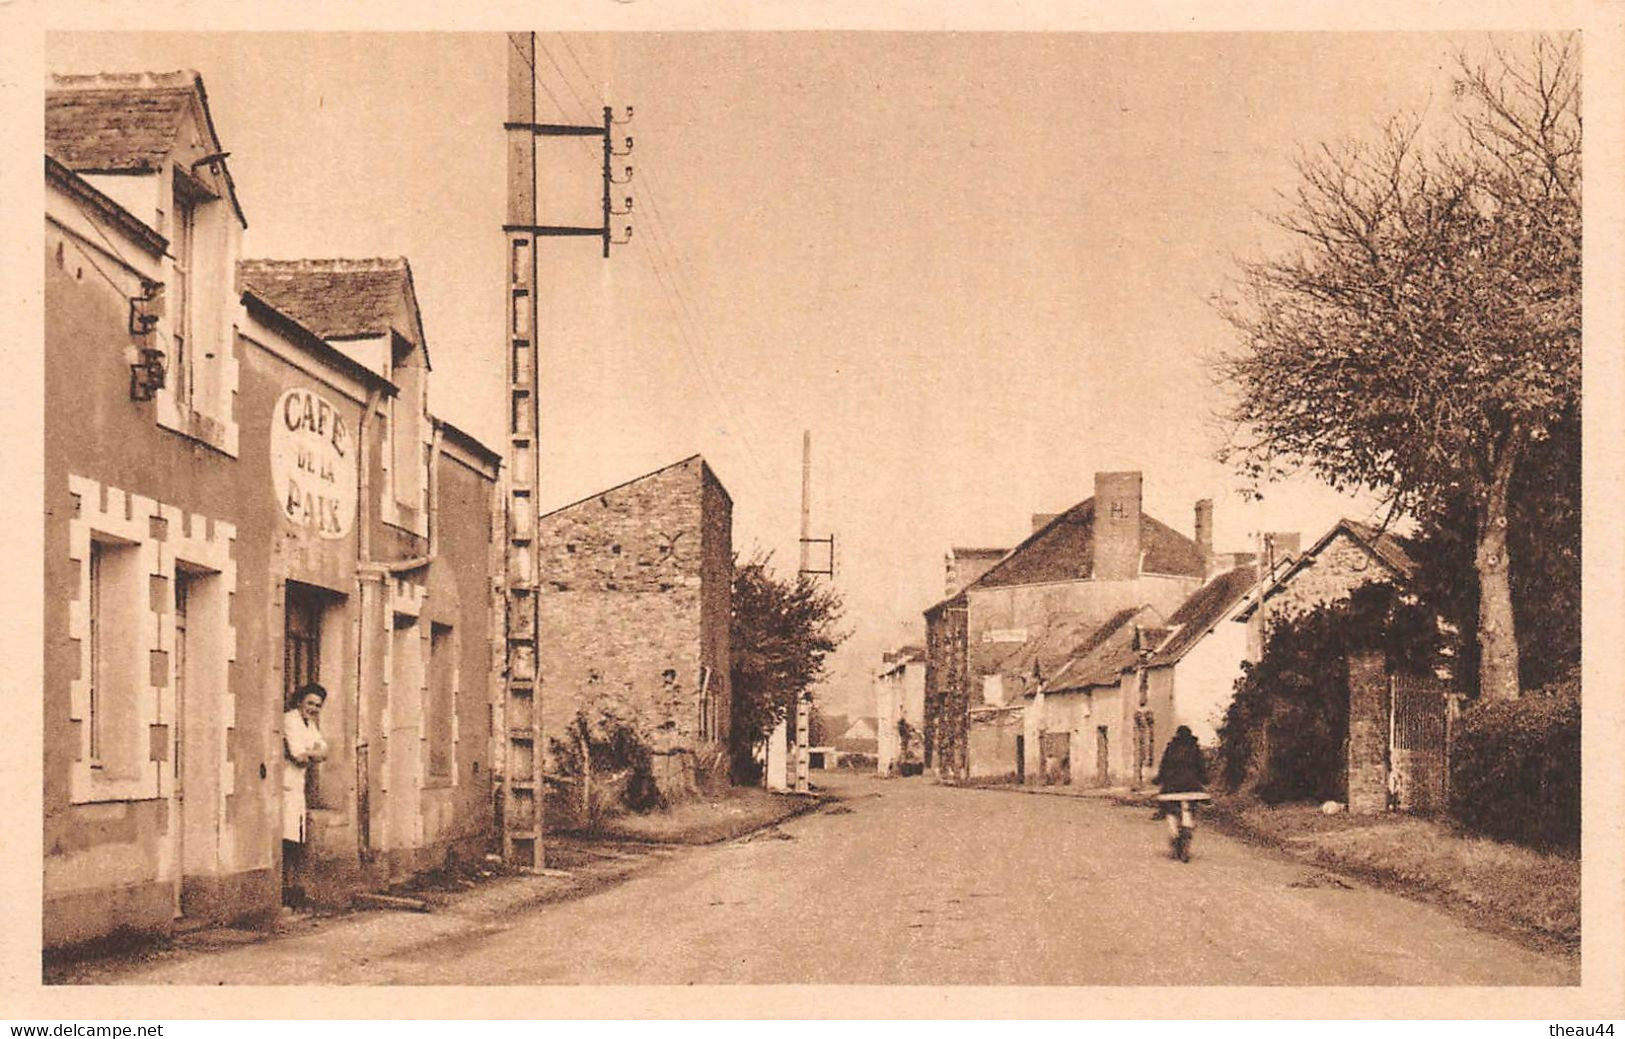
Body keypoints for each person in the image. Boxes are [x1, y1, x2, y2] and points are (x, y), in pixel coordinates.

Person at [282, 682, 329, 905]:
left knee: (297, 840)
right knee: (287, 840)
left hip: (297, 788)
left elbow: (325, 751)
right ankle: (285, 889)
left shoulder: (309, 724)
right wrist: (313, 753)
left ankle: (292, 889)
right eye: (310, 703)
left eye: (318, 705)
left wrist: (311, 753)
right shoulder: (289, 720)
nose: (313, 708)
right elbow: (297, 755)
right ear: (300, 701)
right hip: (286, 787)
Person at [1152, 725, 1207, 840]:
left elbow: (1164, 765)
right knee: (1194, 806)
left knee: (1168, 807)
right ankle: (1190, 823)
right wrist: (1205, 780)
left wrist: (1158, 779)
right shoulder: (1194, 748)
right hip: (1192, 785)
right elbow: (1201, 767)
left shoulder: (1171, 748)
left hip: (1172, 786)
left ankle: (1173, 831)